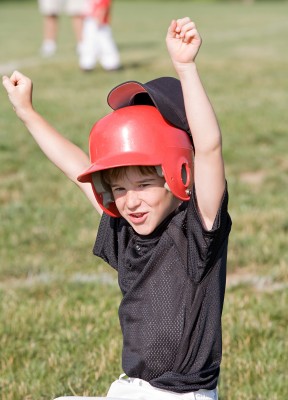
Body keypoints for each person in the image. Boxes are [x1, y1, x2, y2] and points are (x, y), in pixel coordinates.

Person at [2, 17, 232, 400]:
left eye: (144, 184)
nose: (131, 200)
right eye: (120, 188)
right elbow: (77, 168)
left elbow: (208, 148)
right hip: (134, 390)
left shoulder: (198, 234)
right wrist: (28, 112)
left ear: (180, 174)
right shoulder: (125, 228)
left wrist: (185, 68)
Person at [79, 0, 121, 71]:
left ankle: (111, 63)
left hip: (99, 21)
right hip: (89, 19)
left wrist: (101, 15)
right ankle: (87, 63)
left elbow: (104, 4)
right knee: (89, 42)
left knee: (105, 43)